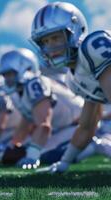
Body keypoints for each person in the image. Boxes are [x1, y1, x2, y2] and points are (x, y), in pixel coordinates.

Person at [30, 1, 111, 173]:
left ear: (75, 31)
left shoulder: (94, 46)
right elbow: (88, 126)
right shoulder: (73, 79)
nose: (51, 46)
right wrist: (65, 162)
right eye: (45, 41)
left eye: (56, 37)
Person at [0, 48, 83, 169]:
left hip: (82, 125)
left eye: (11, 73)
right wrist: (13, 145)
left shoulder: (35, 84)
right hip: (63, 127)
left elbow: (44, 125)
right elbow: (26, 121)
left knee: (46, 155)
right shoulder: (20, 92)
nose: (7, 78)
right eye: (5, 74)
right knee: (25, 150)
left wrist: (32, 156)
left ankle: (93, 144)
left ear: (26, 69)